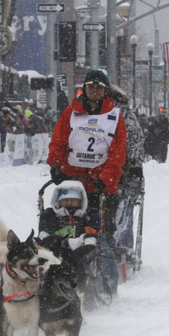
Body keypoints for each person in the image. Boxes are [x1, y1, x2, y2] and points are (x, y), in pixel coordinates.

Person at [47, 68, 128, 294]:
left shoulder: (115, 116)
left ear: (105, 91)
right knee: (66, 228)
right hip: (73, 184)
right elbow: (58, 142)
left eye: (99, 87)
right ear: (85, 88)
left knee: (101, 232)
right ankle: (62, 271)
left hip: (103, 187)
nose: (94, 90)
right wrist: (55, 165)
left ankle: (105, 284)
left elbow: (118, 153)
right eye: (91, 86)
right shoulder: (71, 113)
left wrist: (105, 178)